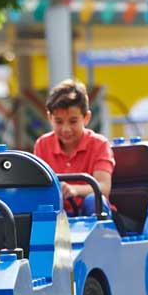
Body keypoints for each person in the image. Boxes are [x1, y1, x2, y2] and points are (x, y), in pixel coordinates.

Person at [33, 79, 115, 216]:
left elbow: (104, 187)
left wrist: (74, 190)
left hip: (92, 214)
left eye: (73, 121)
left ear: (86, 117)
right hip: (59, 215)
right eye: (59, 121)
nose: (66, 129)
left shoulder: (100, 144)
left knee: (93, 200)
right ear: (49, 118)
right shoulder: (42, 145)